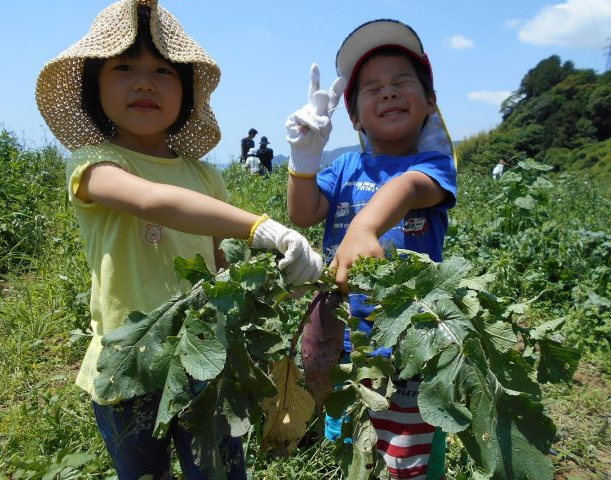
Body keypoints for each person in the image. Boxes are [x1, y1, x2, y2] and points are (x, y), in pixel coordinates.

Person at [35, 1, 322, 478]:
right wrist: (260, 227)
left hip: (206, 357)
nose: (144, 82)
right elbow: (152, 200)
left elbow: (220, 263)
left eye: (163, 71)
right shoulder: (94, 164)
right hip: (129, 362)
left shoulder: (206, 176)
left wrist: (277, 281)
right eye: (124, 67)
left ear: (187, 93)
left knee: (220, 470)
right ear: (94, 87)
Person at [285, 19, 457, 479]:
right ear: (355, 117)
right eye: (373, 88)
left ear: (430, 104)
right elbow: (304, 214)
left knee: (404, 454)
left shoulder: (433, 165)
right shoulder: (343, 165)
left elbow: (407, 189)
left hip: (407, 340)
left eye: (403, 82)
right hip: (344, 338)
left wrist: (364, 226)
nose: (389, 92)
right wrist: (303, 161)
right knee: (349, 442)